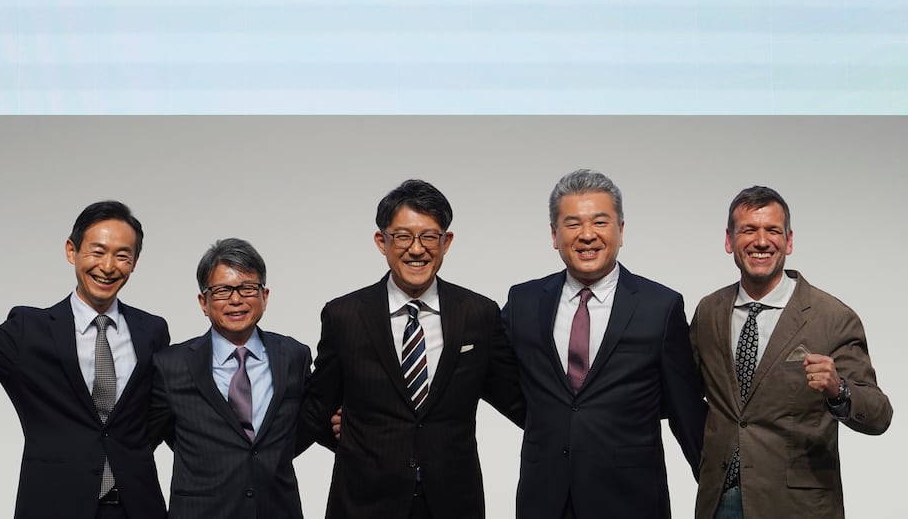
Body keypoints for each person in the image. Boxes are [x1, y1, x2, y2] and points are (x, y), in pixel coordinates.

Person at [0, 200, 170, 519]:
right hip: (54, 505)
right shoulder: (27, 330)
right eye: (97, 251)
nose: (107, 266)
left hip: (138, 507)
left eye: (122, 255)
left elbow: (156, 414)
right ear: (71, 251)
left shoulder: (152, 330)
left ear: (134, 262)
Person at [303, 178, 525, 519]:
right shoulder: (345, 315)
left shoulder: (478, 314)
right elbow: (317, 407)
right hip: (364, 502)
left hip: (452, 503)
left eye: (429, 236)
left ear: (446, 241)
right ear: (382, 241)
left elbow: (517, 399)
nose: (416, 249)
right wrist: (353, 439)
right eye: (403, 236)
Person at [502, 169, 705, 518]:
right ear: (554, 234)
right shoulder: (524, 302)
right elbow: (501, 381)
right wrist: (551, 423)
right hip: (545, 499)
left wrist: (719, 485)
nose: (586, 236)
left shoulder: (660, 307)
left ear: (621, 231)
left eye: (600, 222)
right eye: (572, 224)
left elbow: (684, 410)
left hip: (631, 499)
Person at [690, 186, 893, 519]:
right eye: (748, 230)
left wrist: (839, 390)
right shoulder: (709, 311)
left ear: (789, 240)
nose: (761, 241)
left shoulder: (832, 318)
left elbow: (880, 415)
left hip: (798, 507)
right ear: (729, 241)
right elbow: (686, 394)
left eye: (772, 230)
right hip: (721, 499)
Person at [148, 238, 312, 518]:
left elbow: (305, 426)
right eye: (223, 290)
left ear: (265, 296)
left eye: (247, 288)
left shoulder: (294, 356)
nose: (236, 300)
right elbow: (150, 435)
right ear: (204, 302)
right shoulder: (171, 365)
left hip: (277, 509)